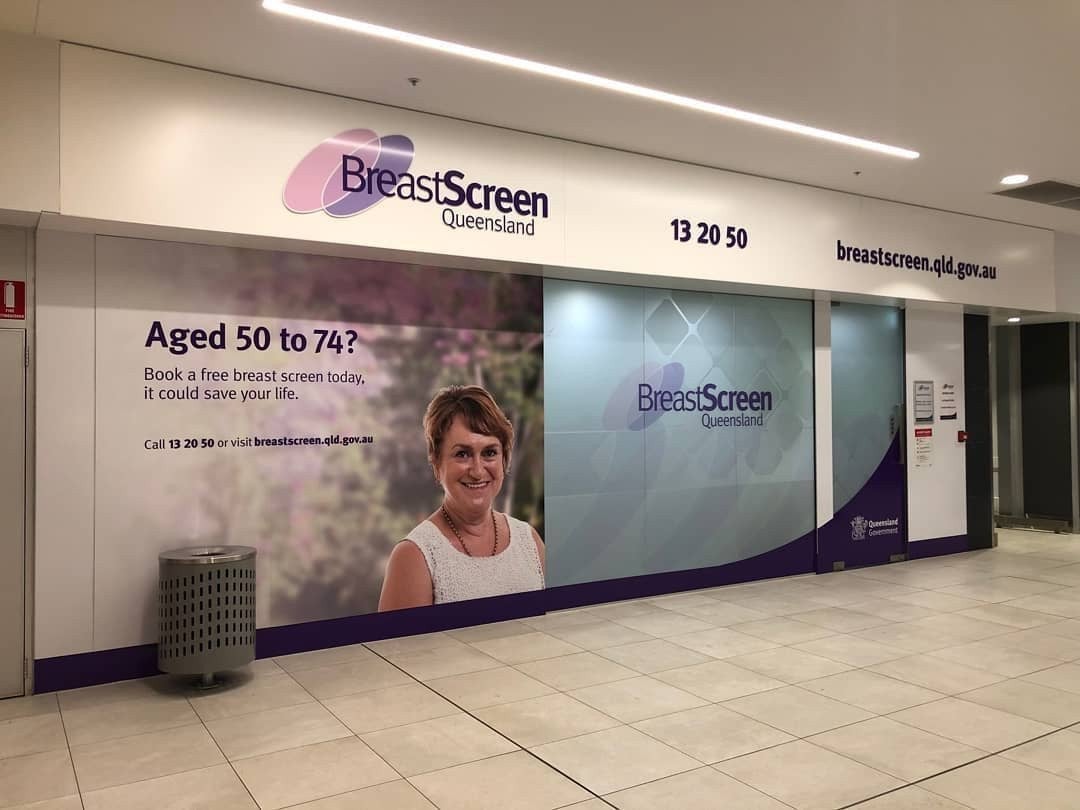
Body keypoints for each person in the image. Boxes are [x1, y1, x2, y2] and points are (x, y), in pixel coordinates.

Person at [378, 384, 545, 611]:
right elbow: (395, 647)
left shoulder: (529, 542)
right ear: (437, 463)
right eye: (462, 454)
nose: (477, 470)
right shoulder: (415, 557)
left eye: (489, 453)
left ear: (504, 458)